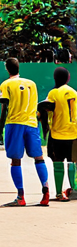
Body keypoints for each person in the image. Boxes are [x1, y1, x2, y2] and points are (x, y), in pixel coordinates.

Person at [0, 57, 49, 207]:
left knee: (15, 160)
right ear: (19, 67)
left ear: (7, 68)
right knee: (39, 157)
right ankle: (46, 192)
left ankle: (21, 196)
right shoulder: (32, 84)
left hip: (14, 124)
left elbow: (4, 111)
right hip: (31, 123)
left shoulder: (6, 85)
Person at [37, 66, 77, 201]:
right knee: (72, 162)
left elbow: (46, 107)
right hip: (74, 133)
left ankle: (59, 194)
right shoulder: (74, 93)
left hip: (57, 134)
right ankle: (74, 190)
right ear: (68, 78)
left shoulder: (54, 93)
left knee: (58, 163)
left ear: (55, 78)